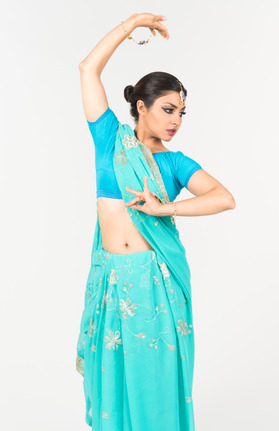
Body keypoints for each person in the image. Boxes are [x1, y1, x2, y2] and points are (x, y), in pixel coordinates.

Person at [75, 12, 236, 431]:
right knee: (112, 378)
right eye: (168, 109)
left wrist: (166, 208)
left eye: (181, 113)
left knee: (158, 380)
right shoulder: (109, 138)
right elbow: (88, 68)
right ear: (141, 107)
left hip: (156, 280)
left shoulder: (177, 162)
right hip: (112, 280)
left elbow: (224, 198)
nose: (175, 121)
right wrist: (132, 24)